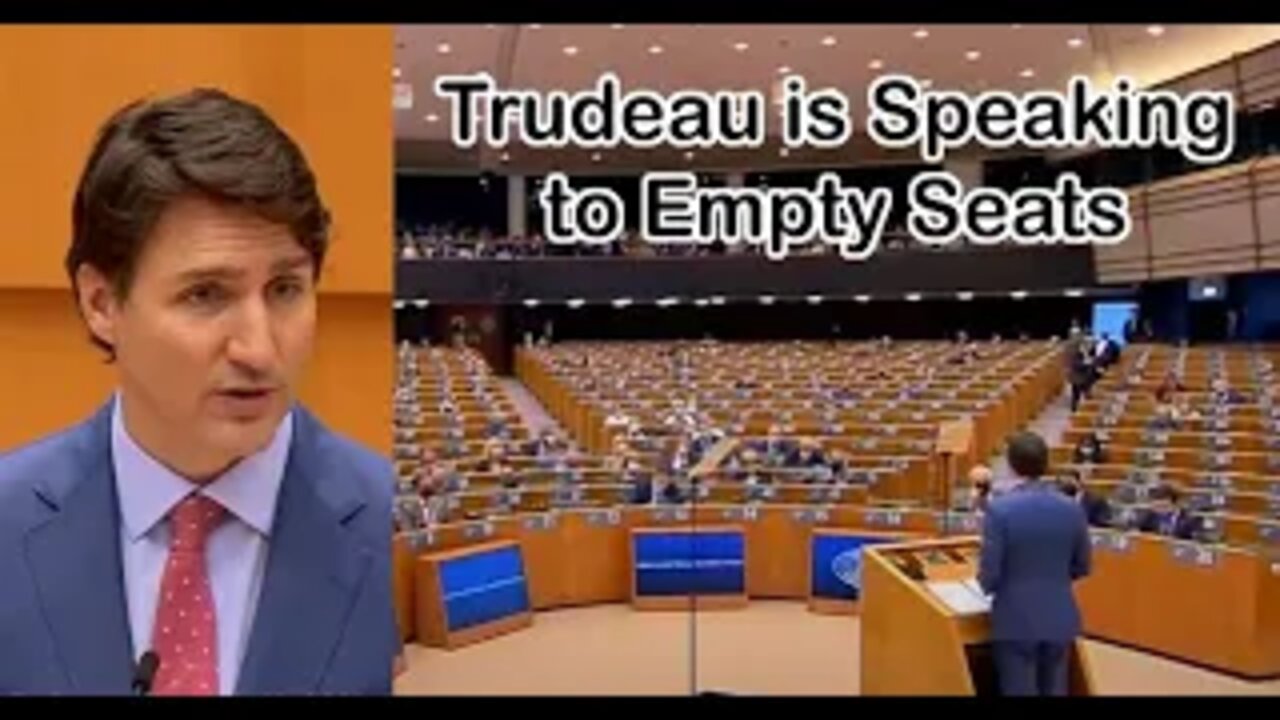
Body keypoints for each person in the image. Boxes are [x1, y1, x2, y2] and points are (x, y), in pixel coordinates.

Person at [0, 89, 398, 695]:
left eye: (286, 289)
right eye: (206, 294)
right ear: (102, 304)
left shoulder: (388, 529)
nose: (260, 351)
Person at [978, 432, 1092, 696]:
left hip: (1015, 619)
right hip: (1059, 616)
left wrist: (989, 587)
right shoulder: (1072, 508)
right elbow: (1082, 565)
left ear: (1011, 464)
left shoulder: (1000, 510)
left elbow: (990, 574)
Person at [1137, 484, 1202, 541]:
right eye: (1156, 507)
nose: (1160, 511)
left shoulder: (1189, 520)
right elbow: (1138, 534)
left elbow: (1194, 544)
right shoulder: (1149, 516)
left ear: (1176, 504)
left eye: (1164, 507)